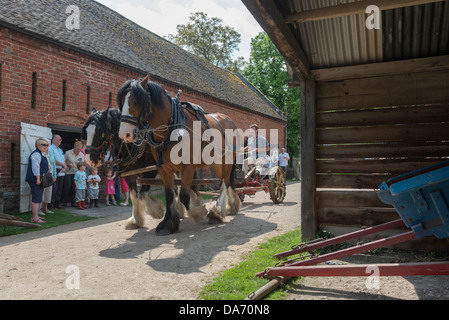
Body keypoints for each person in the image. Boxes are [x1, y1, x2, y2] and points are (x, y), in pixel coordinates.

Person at [25, 138, 51, 224]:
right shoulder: (36, 154)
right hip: (35, 179)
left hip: (39, 179)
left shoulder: (41, 154)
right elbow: (35, 167)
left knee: (38, 198)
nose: (46, 146)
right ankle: (35, 218)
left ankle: (36, 216)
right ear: (38, 145)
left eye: (47, 145)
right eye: (43, 145)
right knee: (36, 198)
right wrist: (38, 178)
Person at [63, 141, 86, 207]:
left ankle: (74, 202)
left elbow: (82, 163)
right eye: (77, 149)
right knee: (67, 186)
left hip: (77, 173)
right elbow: (63, 161)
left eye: (80, 149)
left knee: (75, 187)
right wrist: (67, 164)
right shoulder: (68, 153)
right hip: (68, 172)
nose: (78, 151)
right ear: (74, 147)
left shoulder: (81, 154)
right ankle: (64, 201)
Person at [49, 135, 67, 209]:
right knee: (54, 188)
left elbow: (64, 159)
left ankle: (57, 203)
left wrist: (64, 167)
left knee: (59, 187)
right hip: (55, 169)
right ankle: (51, 204)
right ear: (54, 140)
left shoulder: (60, 150)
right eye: (59, 139)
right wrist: (63, 165)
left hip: (61, 170)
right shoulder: (50, 148)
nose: (61, 141)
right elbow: (53, 160)